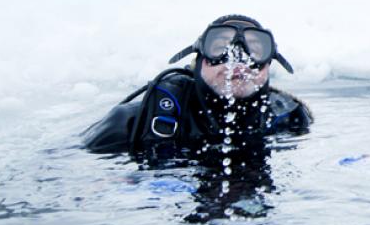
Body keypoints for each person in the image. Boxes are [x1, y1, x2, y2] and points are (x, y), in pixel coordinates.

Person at [85, 14, 312, 167]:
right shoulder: (132, 123)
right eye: (220, 46)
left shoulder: (290, 117)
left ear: (269, 65)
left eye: (255, 49)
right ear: (199, 60)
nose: (238, 59)